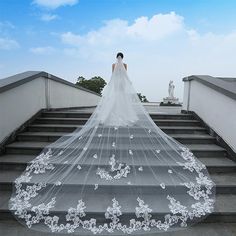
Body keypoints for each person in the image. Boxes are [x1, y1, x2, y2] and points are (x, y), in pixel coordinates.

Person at [9, 52, 215, 235]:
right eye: (121, 59)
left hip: (115, 90)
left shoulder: (115, 66)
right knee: (121, 106)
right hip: (120, 90)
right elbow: (125, 80)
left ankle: (115, 115)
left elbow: (113, 79)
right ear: (122, 58)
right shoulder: (124, 67)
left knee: (116, 106)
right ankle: (120, 115)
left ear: (117, 59)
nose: (120, 61)